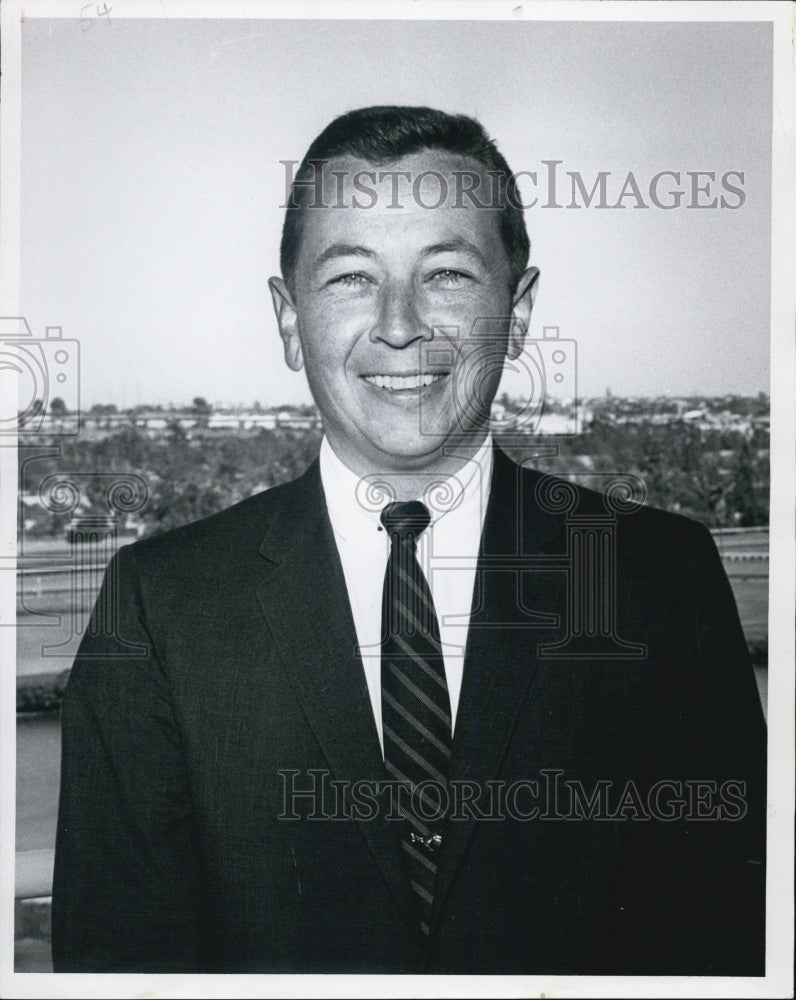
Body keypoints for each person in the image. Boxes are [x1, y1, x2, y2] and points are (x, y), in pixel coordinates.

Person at [52, 106, 765, 975]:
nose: (399, 324)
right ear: (287, 319)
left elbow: (727, 939)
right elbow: (120, 964)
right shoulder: (160, 605)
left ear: (520, 308)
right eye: (352, 277)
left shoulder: (657, 579)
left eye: (449, 275)